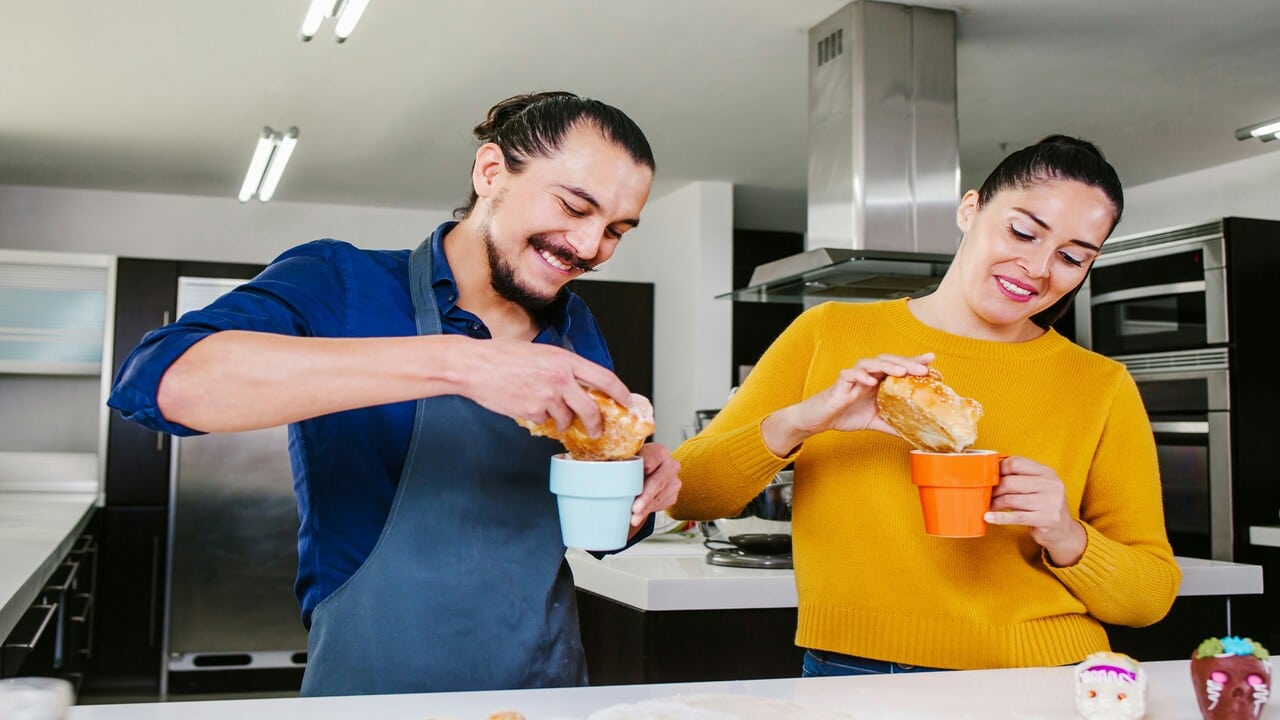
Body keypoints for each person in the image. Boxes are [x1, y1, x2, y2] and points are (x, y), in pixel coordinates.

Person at [107, 91, 682, 696]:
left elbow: (597, 530)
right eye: (573, 207)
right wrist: (460, 364)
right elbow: (163, 381)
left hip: (545, 687)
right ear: (491, 173)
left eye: (616, 230)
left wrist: (636, 481)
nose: (591, 248)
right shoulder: (342, 283)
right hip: (371, 688)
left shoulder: (576, 326)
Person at [669, 135, 1180, 675]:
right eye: (1023, 232)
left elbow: (1149, 598)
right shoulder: (830, 334)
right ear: (970, 209)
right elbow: (687, 494)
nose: (1037, 267)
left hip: (1039, 677)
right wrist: (801, 421)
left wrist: (1066, 534)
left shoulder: (1099, 383)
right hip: (854, 675)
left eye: (1073, 257)